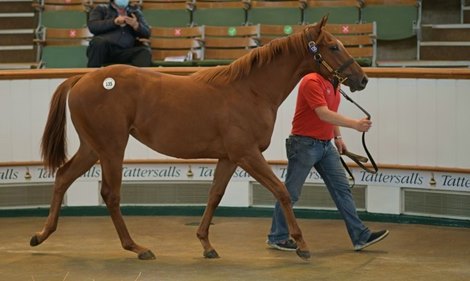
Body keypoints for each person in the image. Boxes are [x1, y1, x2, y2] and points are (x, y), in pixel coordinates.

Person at [266, 72, 389, 252]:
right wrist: (355, 124)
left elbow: (331, 113)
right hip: (304, 144)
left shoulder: (335, 83)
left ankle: (360, 236)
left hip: (325, 145)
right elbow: (322, 113)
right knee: (291, 193)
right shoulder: (311, 81)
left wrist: (337, 137)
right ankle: (277, 236)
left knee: (342, 189)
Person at [86, 0, 152, 67]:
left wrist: (136, 25)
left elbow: (147, 33)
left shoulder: (135, 12)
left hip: (125, 51)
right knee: (98, 42)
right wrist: (114, 22)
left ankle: (134, 77)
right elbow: (93, 26)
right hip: (105, 50)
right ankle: (92, 75)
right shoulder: (101, 9)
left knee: (144, 52)